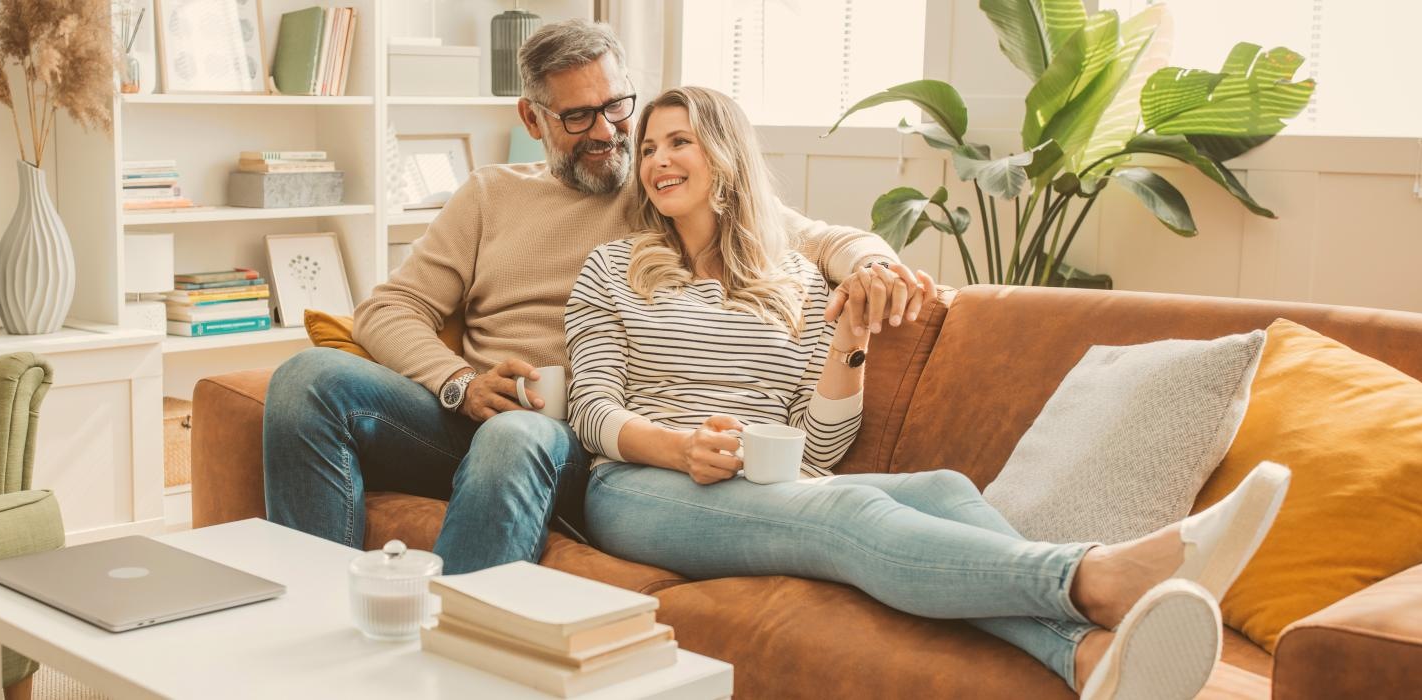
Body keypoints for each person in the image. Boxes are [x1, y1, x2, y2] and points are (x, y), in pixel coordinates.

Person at [565, 85, 1292, 698]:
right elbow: (590, 409)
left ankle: (1090, 658)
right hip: (640, 485)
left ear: (725, 156)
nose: (657, 161)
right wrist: (677, 446)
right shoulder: (613, 268)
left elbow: (815, 446)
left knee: (944, 488)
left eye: (678, 142)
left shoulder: (796, 281)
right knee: (846, 509)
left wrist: (850, 345)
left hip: (762, 484)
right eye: (651, 148)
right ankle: (1093, 575)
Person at [260, 20, 933, 575]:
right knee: (305, 379)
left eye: (617, 107)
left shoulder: (664, 191)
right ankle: (316, 610)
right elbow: (388, 309)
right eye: (578, 116)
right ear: (533, 117)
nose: (609, 134)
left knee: (516, 435)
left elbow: (812, 237)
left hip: (572, 438)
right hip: (464, 422)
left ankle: (456, 654)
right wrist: (459, 382)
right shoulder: (490, 194)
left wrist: (874, 262)